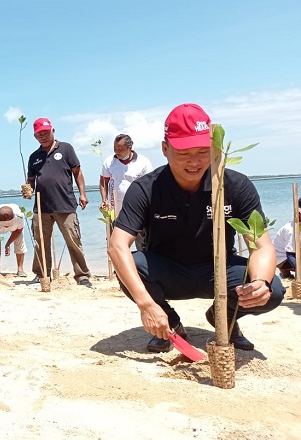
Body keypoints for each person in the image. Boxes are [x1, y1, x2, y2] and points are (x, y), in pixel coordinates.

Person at [108, 103, 285, 353]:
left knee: (273, 290)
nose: (194, 162)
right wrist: (146, 305)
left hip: (219, 271)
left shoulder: (235, 186)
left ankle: (225, 316)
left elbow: (262, 246)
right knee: (131, 267)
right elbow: (117, 246)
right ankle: (170, 322)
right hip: (168, 270)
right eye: (183, 153)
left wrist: (260, 282)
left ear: (215, 148)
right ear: (165, 149)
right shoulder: (145, 188)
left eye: (203, 151)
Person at [23, 117, 92, 287]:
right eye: (40, 134)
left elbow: (77, 172)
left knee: (73, 240)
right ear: (35, 137)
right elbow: (31, 179)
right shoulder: (34, 157)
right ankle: (41, 274)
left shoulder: (66, 148)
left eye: (46, 132)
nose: (44, 136)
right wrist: (28, 189)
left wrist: (82, 194)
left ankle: (82, 275)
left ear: (53, 131)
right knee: (41, 242)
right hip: (41, 206)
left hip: (65, 204)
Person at [99, 134, 153, 250]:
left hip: (138, 211)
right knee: (116, 246)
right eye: (115, 149)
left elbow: (149, 187)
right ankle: (118, 268)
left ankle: (142, 267)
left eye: (120, 149)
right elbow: (104, 183)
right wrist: (104, 200)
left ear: (129, 148)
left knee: (143, 245)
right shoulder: (109, 162)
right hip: (115, 211)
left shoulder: (143, 162)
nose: (117, 152)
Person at [0, 204, 28, 277]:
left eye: (8, 224)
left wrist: (8, 244)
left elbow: (18, 231)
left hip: (15, 228)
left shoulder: (19, 216)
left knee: (20, 241)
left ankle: (20, 269)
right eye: (4, 224)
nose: (6, 226)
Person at [272, 197, 300, 279]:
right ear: (298, 214)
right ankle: (288, 274)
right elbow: (290, 254)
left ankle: (287, 275)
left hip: (290, 253)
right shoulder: (291, 231)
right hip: (281, 258)